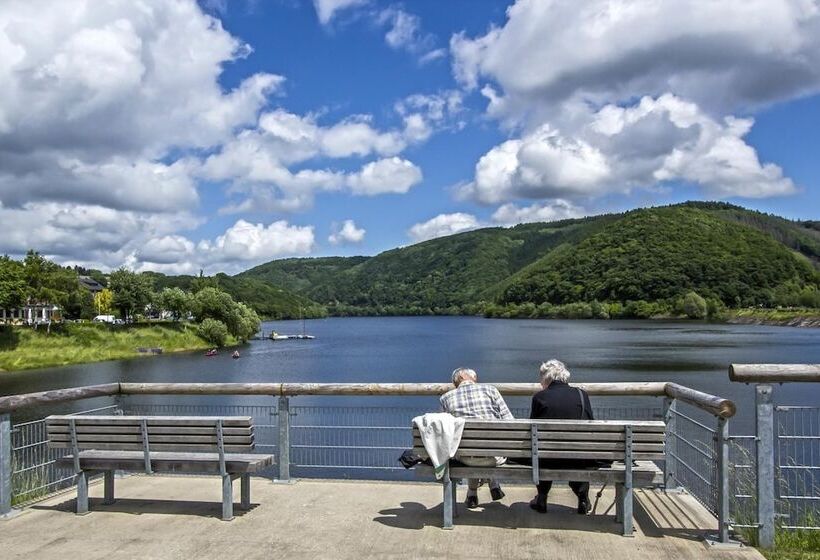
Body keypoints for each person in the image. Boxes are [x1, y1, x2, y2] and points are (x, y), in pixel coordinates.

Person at [528, 359, 598, 515]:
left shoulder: (539, 397)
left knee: (540, 452)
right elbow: (591, 424)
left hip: (548, 458)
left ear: (547, 378)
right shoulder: (582, 395)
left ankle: (542, 498)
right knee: (578, 450)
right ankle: (583, 499)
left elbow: (532, 430)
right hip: (578, 458)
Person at [440, 367, 514, 509]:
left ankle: (472, 494)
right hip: (495, 457)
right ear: (468, 377)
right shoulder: (491, 390)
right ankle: (493, 483)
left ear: (458, 379)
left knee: (470, 450)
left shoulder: (445, 398)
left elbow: (446, 432)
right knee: (485, 449)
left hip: (465, 458)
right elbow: (510, 422)